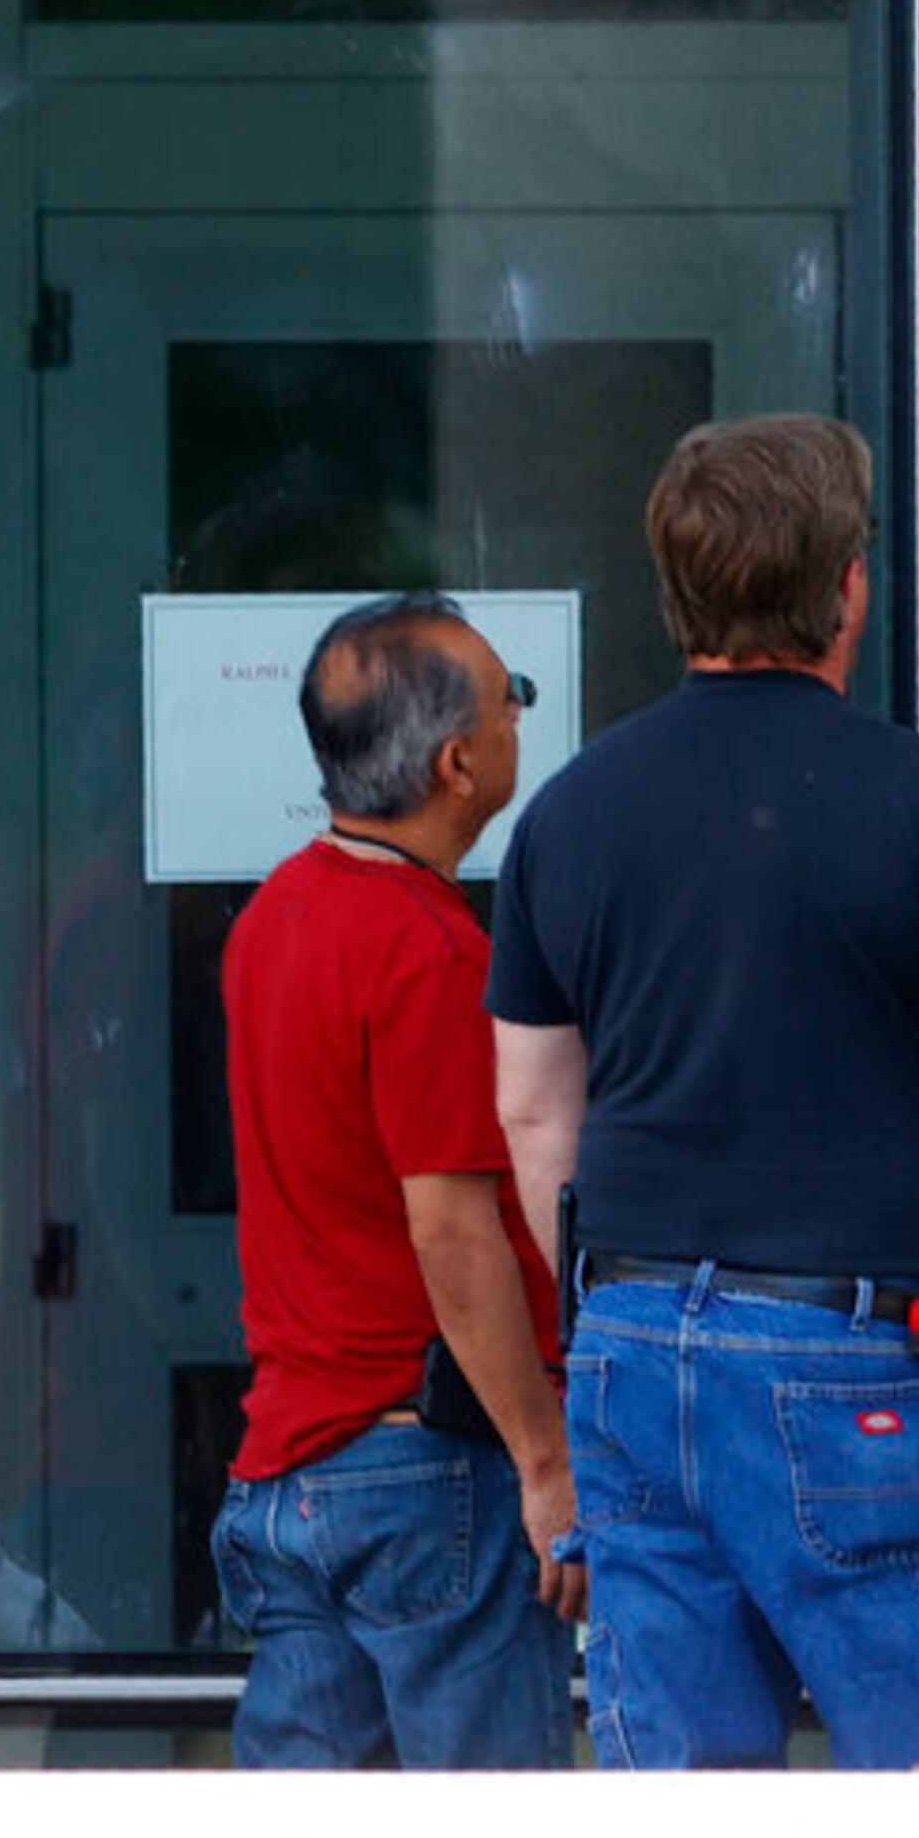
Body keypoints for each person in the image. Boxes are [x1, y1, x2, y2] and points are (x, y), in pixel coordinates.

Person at [487, 416, 919, 1770]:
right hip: (858, 1368)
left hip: (633, 1354)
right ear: (850, 587)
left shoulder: (568, 813)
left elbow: (533, 1113)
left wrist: (616, 1312)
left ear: (676, 594)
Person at [209, 593, 586, 1768]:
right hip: (428, 1478)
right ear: (459, 760)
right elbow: (452, 1229)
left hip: (291, 1465)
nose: (524, 714)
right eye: (511, 694)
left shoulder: (273, 913)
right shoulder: (428, 948)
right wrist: (545, 1460)